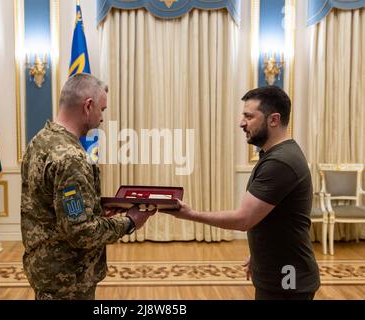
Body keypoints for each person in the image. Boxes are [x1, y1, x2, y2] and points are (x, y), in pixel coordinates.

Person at [163, 86, 320, 300]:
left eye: (248, 116)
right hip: (280, 273)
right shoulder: (275, 155)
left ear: (273, 119)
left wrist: (191, 214)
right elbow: (273, 218)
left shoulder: (280, 162)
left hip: (288, 280)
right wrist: (259, 256)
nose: (241, 123)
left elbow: (243, 219)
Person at [20, 73, 156, 300]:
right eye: (102, 109)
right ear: (88, 106)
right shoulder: (71, 157)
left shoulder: (40, 140)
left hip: (44, 269)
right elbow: (81, 232)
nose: (102, 117)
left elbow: (53, 208)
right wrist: (130, 221)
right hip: (67, 280)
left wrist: (94, 210)